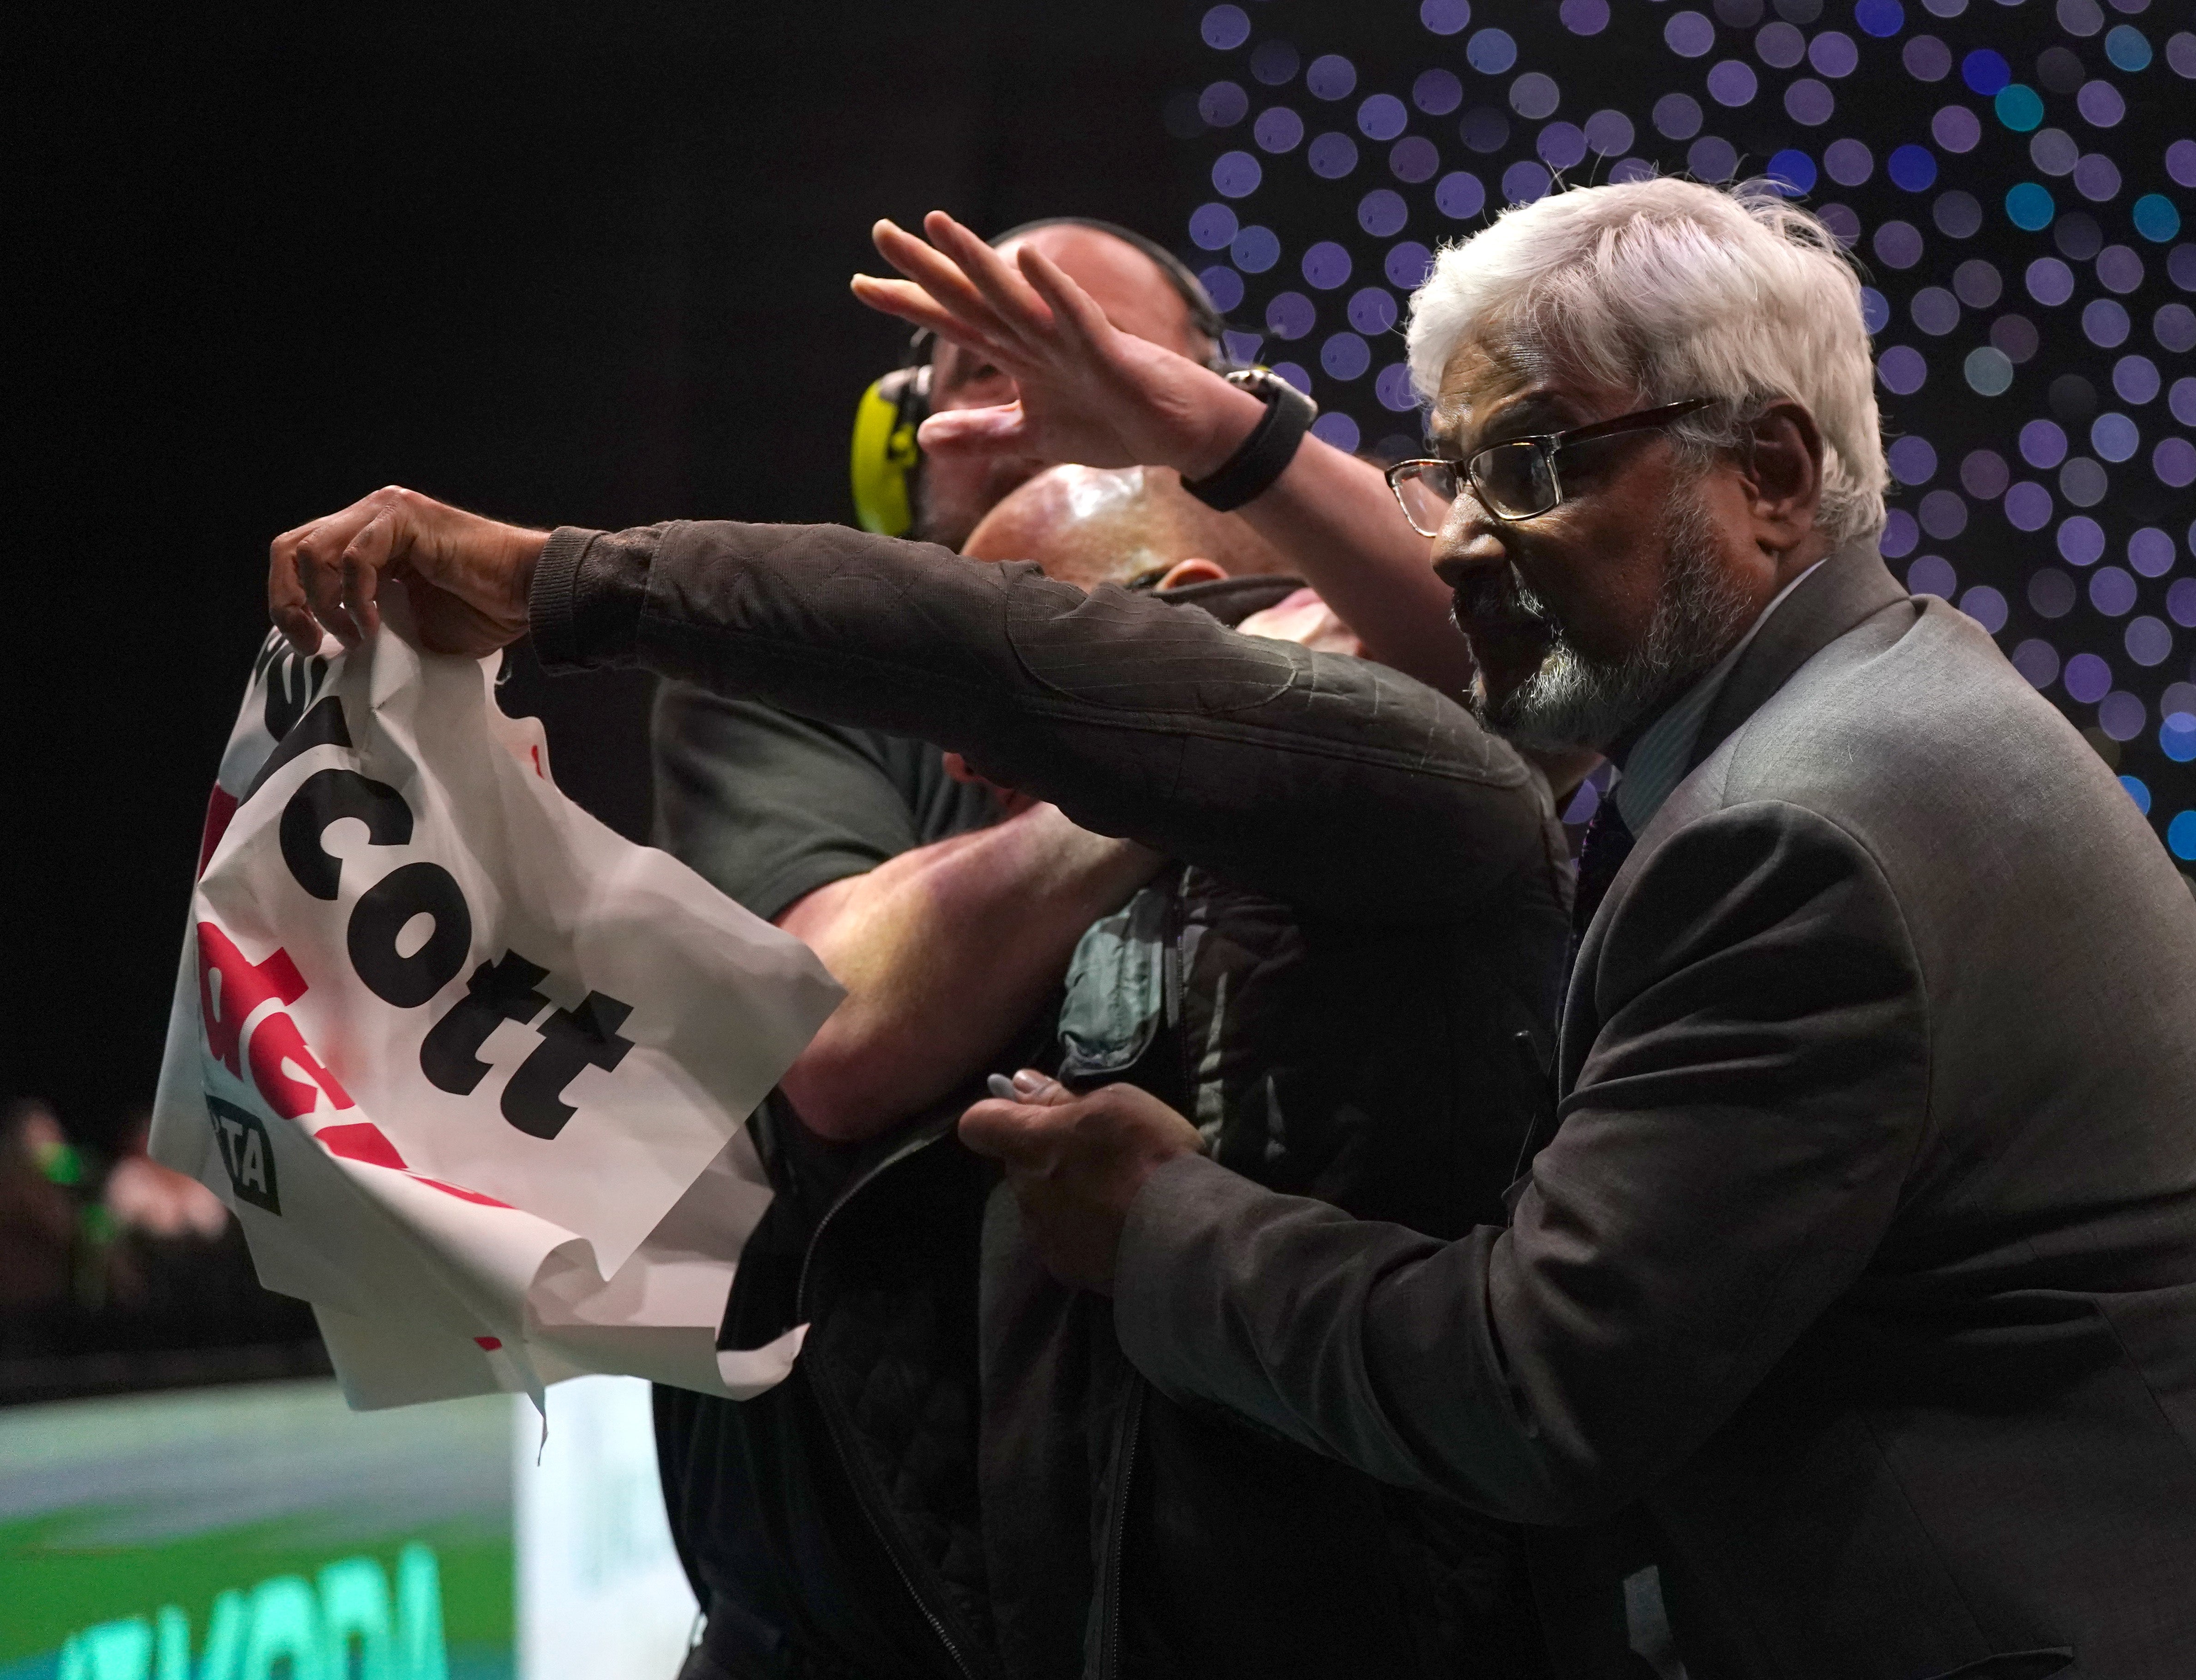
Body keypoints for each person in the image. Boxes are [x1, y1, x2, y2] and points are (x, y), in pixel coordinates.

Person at [918, 179, 2196, 1679]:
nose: (1466, 540)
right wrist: (1234, 435)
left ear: (1769, 473)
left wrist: (1158, 1226)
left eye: (1535, 465)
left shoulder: (1795, 825)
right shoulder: (1850, 704)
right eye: (1455, 474)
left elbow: (1536, 1391)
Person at [266, 462, 1563, 1679]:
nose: (953, 755)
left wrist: (561, 578)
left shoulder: (1428, 805)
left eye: (1014, 652)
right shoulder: (1094, 851)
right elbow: (839, 1038)